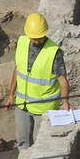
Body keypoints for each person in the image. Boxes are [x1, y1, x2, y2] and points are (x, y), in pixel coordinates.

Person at [6, 12, 71, 149]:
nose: (35, 41)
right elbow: (18, 70)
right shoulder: (22, 42)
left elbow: (63, 81)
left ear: (45, 34)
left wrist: (65, 102)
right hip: (22, 104)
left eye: (38, 38)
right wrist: (11, 95)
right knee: (22, 139)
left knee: (40, 143)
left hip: (43, 108)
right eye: (33, 38)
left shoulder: (53, 52)